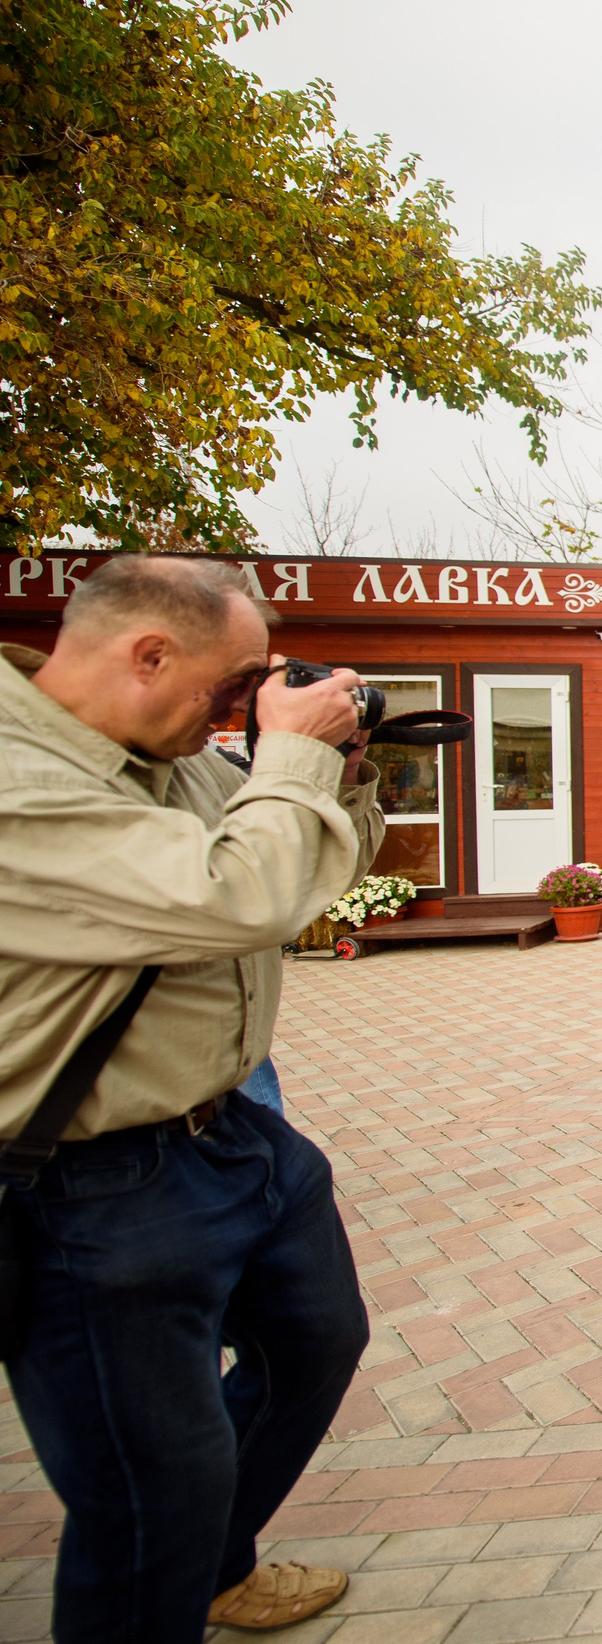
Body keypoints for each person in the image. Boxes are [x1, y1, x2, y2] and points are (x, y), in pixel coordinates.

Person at [0, 556, 386, 1640]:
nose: (235, 713)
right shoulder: (20, 779)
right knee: (145, 1496)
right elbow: (238, 892)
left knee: (315, 1342)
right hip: (88, 1183)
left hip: (233, 1135)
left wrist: (338, 771)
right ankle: (173, 1567)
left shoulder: (161, 748)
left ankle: (213, 1561)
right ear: (148, 653)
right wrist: (291, 754)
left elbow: (310, 872)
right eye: (231, 688)